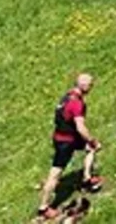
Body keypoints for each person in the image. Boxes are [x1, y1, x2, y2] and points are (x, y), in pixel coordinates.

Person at [36, 73, 102, 219]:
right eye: (90, 85)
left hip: (61, 137)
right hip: (66, 142)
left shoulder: (66, 97)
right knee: (55, 174)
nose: (91, 87)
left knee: (89, 149)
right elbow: (81, 128)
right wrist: (92, 140)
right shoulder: (76, 103)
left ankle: (87, 179)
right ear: (83, 85)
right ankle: (43, 208)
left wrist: (89, 143)